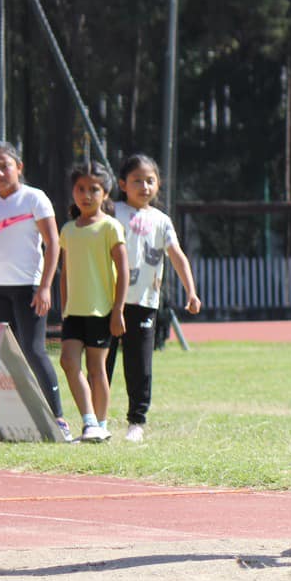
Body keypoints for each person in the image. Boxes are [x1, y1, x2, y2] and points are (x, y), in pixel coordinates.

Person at [0, 141, 68, 436]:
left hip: (29, 287)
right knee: (8, 355)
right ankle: (20, 420)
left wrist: (45, 287)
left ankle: (58, 419)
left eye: (5, 166)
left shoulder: (34, 198)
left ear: (19, 167)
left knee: (34, 350)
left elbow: (53, 243)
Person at [106, 153, 200, 443]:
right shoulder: (111, 212)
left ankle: (137, 421)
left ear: (159, 184)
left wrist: (191, 291)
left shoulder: (161, 220)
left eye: (150, 180)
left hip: (145, 302)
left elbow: (177, 256)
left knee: (139, 365)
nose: (144, 186)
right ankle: (96, 418)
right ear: (122, 183)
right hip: (108, 302)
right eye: (137, 181)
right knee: (101, 362)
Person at [57, 162, 128, 443]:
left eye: (94, 189)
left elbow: (123, 271)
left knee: (97, 369)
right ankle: (89, 422)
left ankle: (100, 424)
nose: (86, 195)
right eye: (81, 189)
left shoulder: (111, 227)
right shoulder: (68, 230)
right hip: (74, 312)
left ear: (106, 193)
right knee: (67, 361)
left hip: (102, 311)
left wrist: (118, 310)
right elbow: (65, 272)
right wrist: (64, 307)